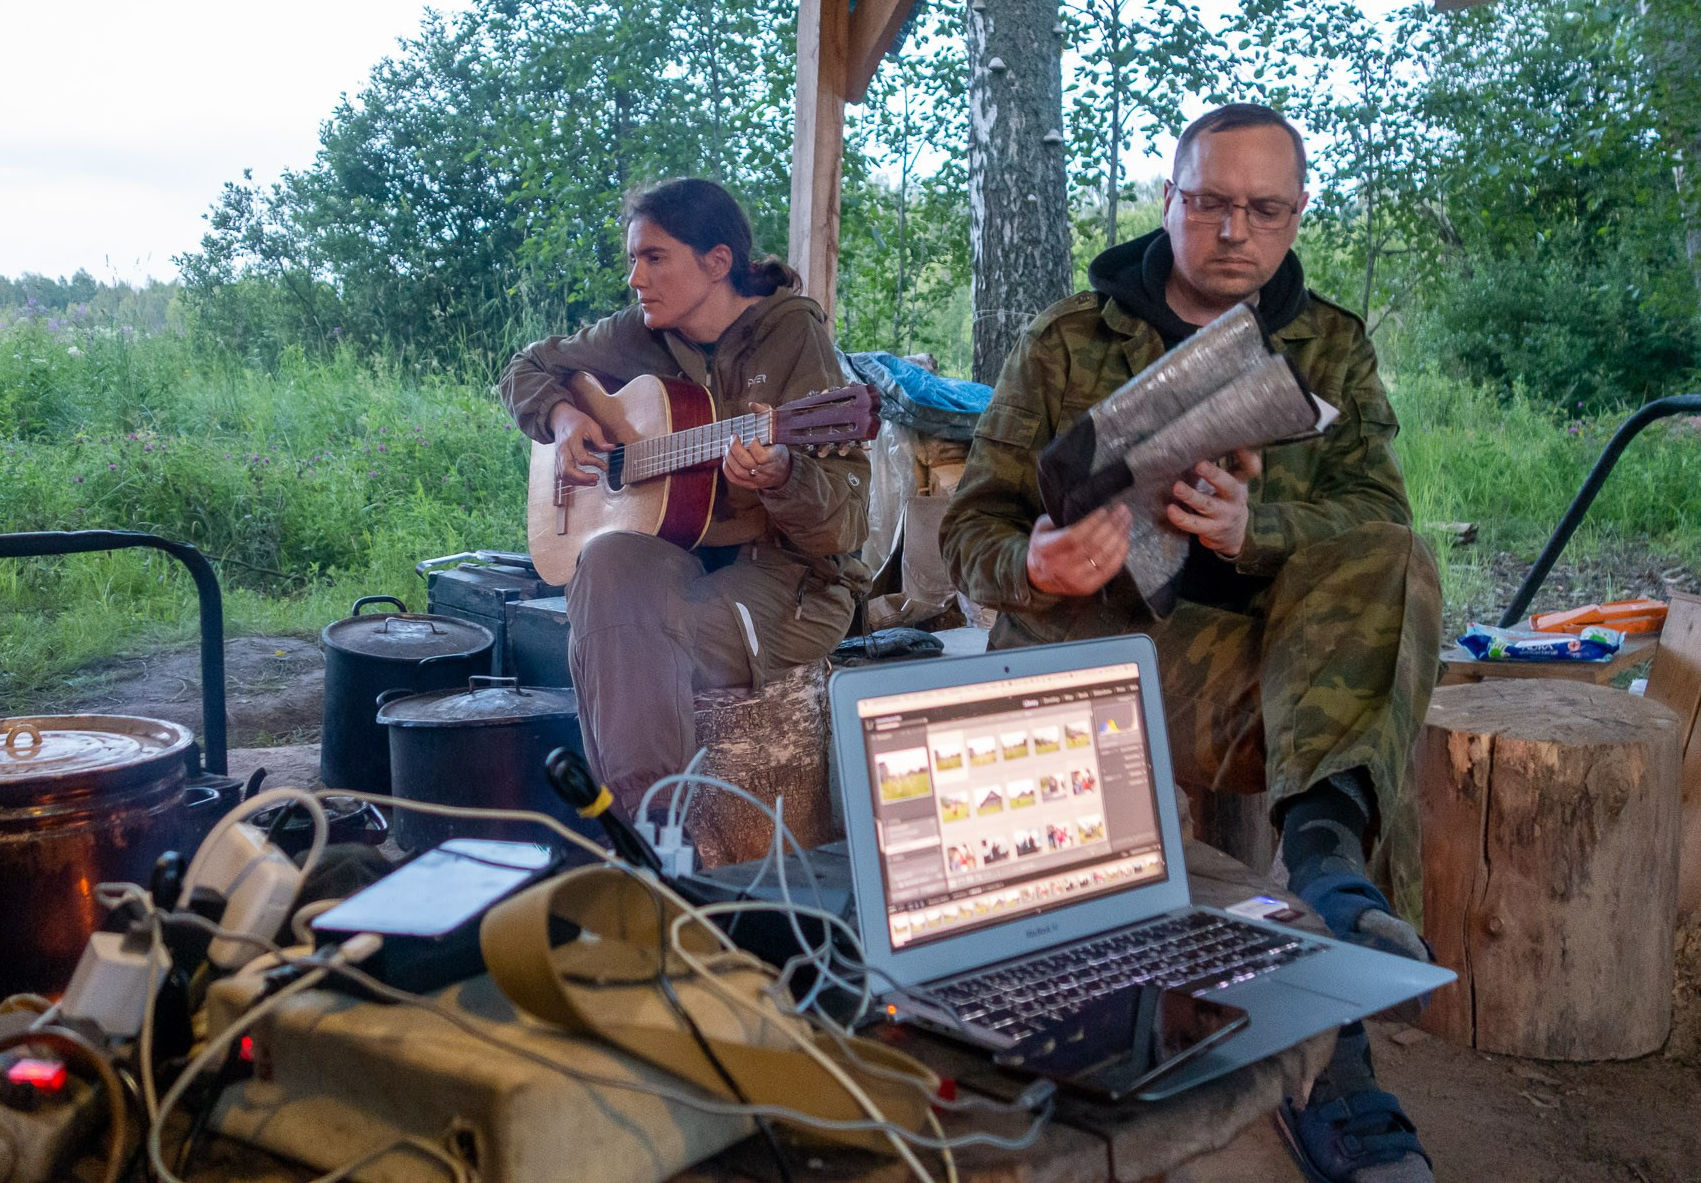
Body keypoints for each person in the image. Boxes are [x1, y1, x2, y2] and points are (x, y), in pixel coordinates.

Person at [940, 104, 1440, 1182]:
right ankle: (1334, 1057)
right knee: (1069, 980)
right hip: (1092, 660)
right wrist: (1029, 564)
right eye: (1208, 202)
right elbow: (965, 526)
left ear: (1296, 214)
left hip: (1266, 673)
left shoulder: (1329, 344)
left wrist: (1253, 530)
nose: (1232, 231)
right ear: (1166, 201)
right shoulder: (1069, 339)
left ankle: (1327, 874)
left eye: (1263, 209)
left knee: (1396, 558)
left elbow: (1374, 511)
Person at [500, 178, 869, 816]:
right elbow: (523, 368)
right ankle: (648, 830)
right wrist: (563, 418)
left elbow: (845, 525)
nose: (636, 278)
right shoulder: (638, 334)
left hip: (788, 578)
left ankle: (646, 827)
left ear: (717, 261)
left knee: (633, 637)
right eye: (632, 260)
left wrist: (783, 476)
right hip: (681, 558)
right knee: (603, 565)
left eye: (654, 258)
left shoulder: (793, 340)